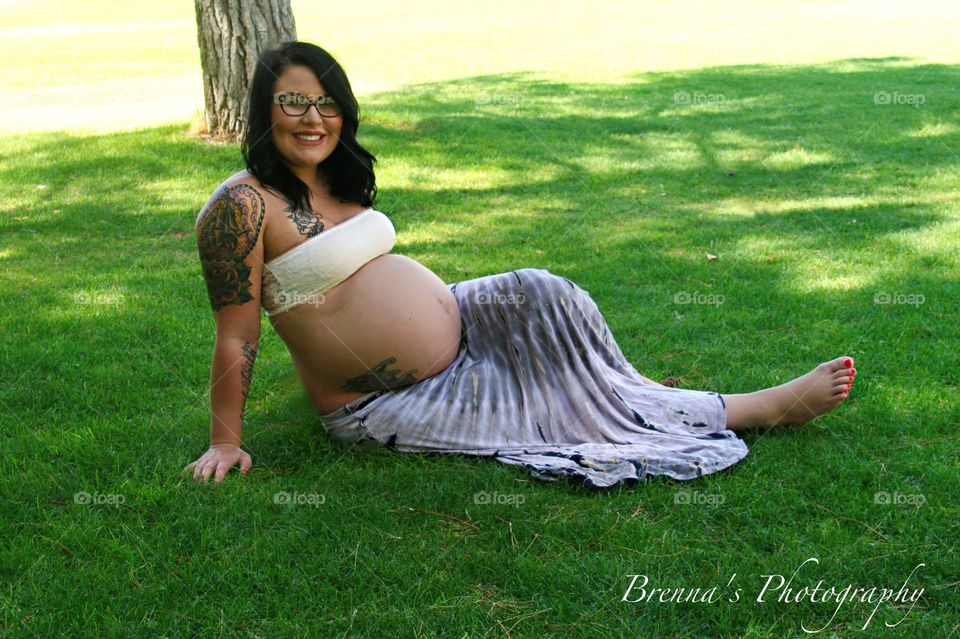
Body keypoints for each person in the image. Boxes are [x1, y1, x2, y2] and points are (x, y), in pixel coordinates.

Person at [184, 41, 857, 488]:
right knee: (548, 411)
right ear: (262, 110)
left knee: (545, 294)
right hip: (383, 398)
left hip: (462, 326)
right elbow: (239, 332)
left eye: (326, 101)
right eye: (293, 100)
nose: (313, 116)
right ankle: (754, 408)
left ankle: (649, 393)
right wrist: (223, 441)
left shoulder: (333, 177)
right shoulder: (240, 206)